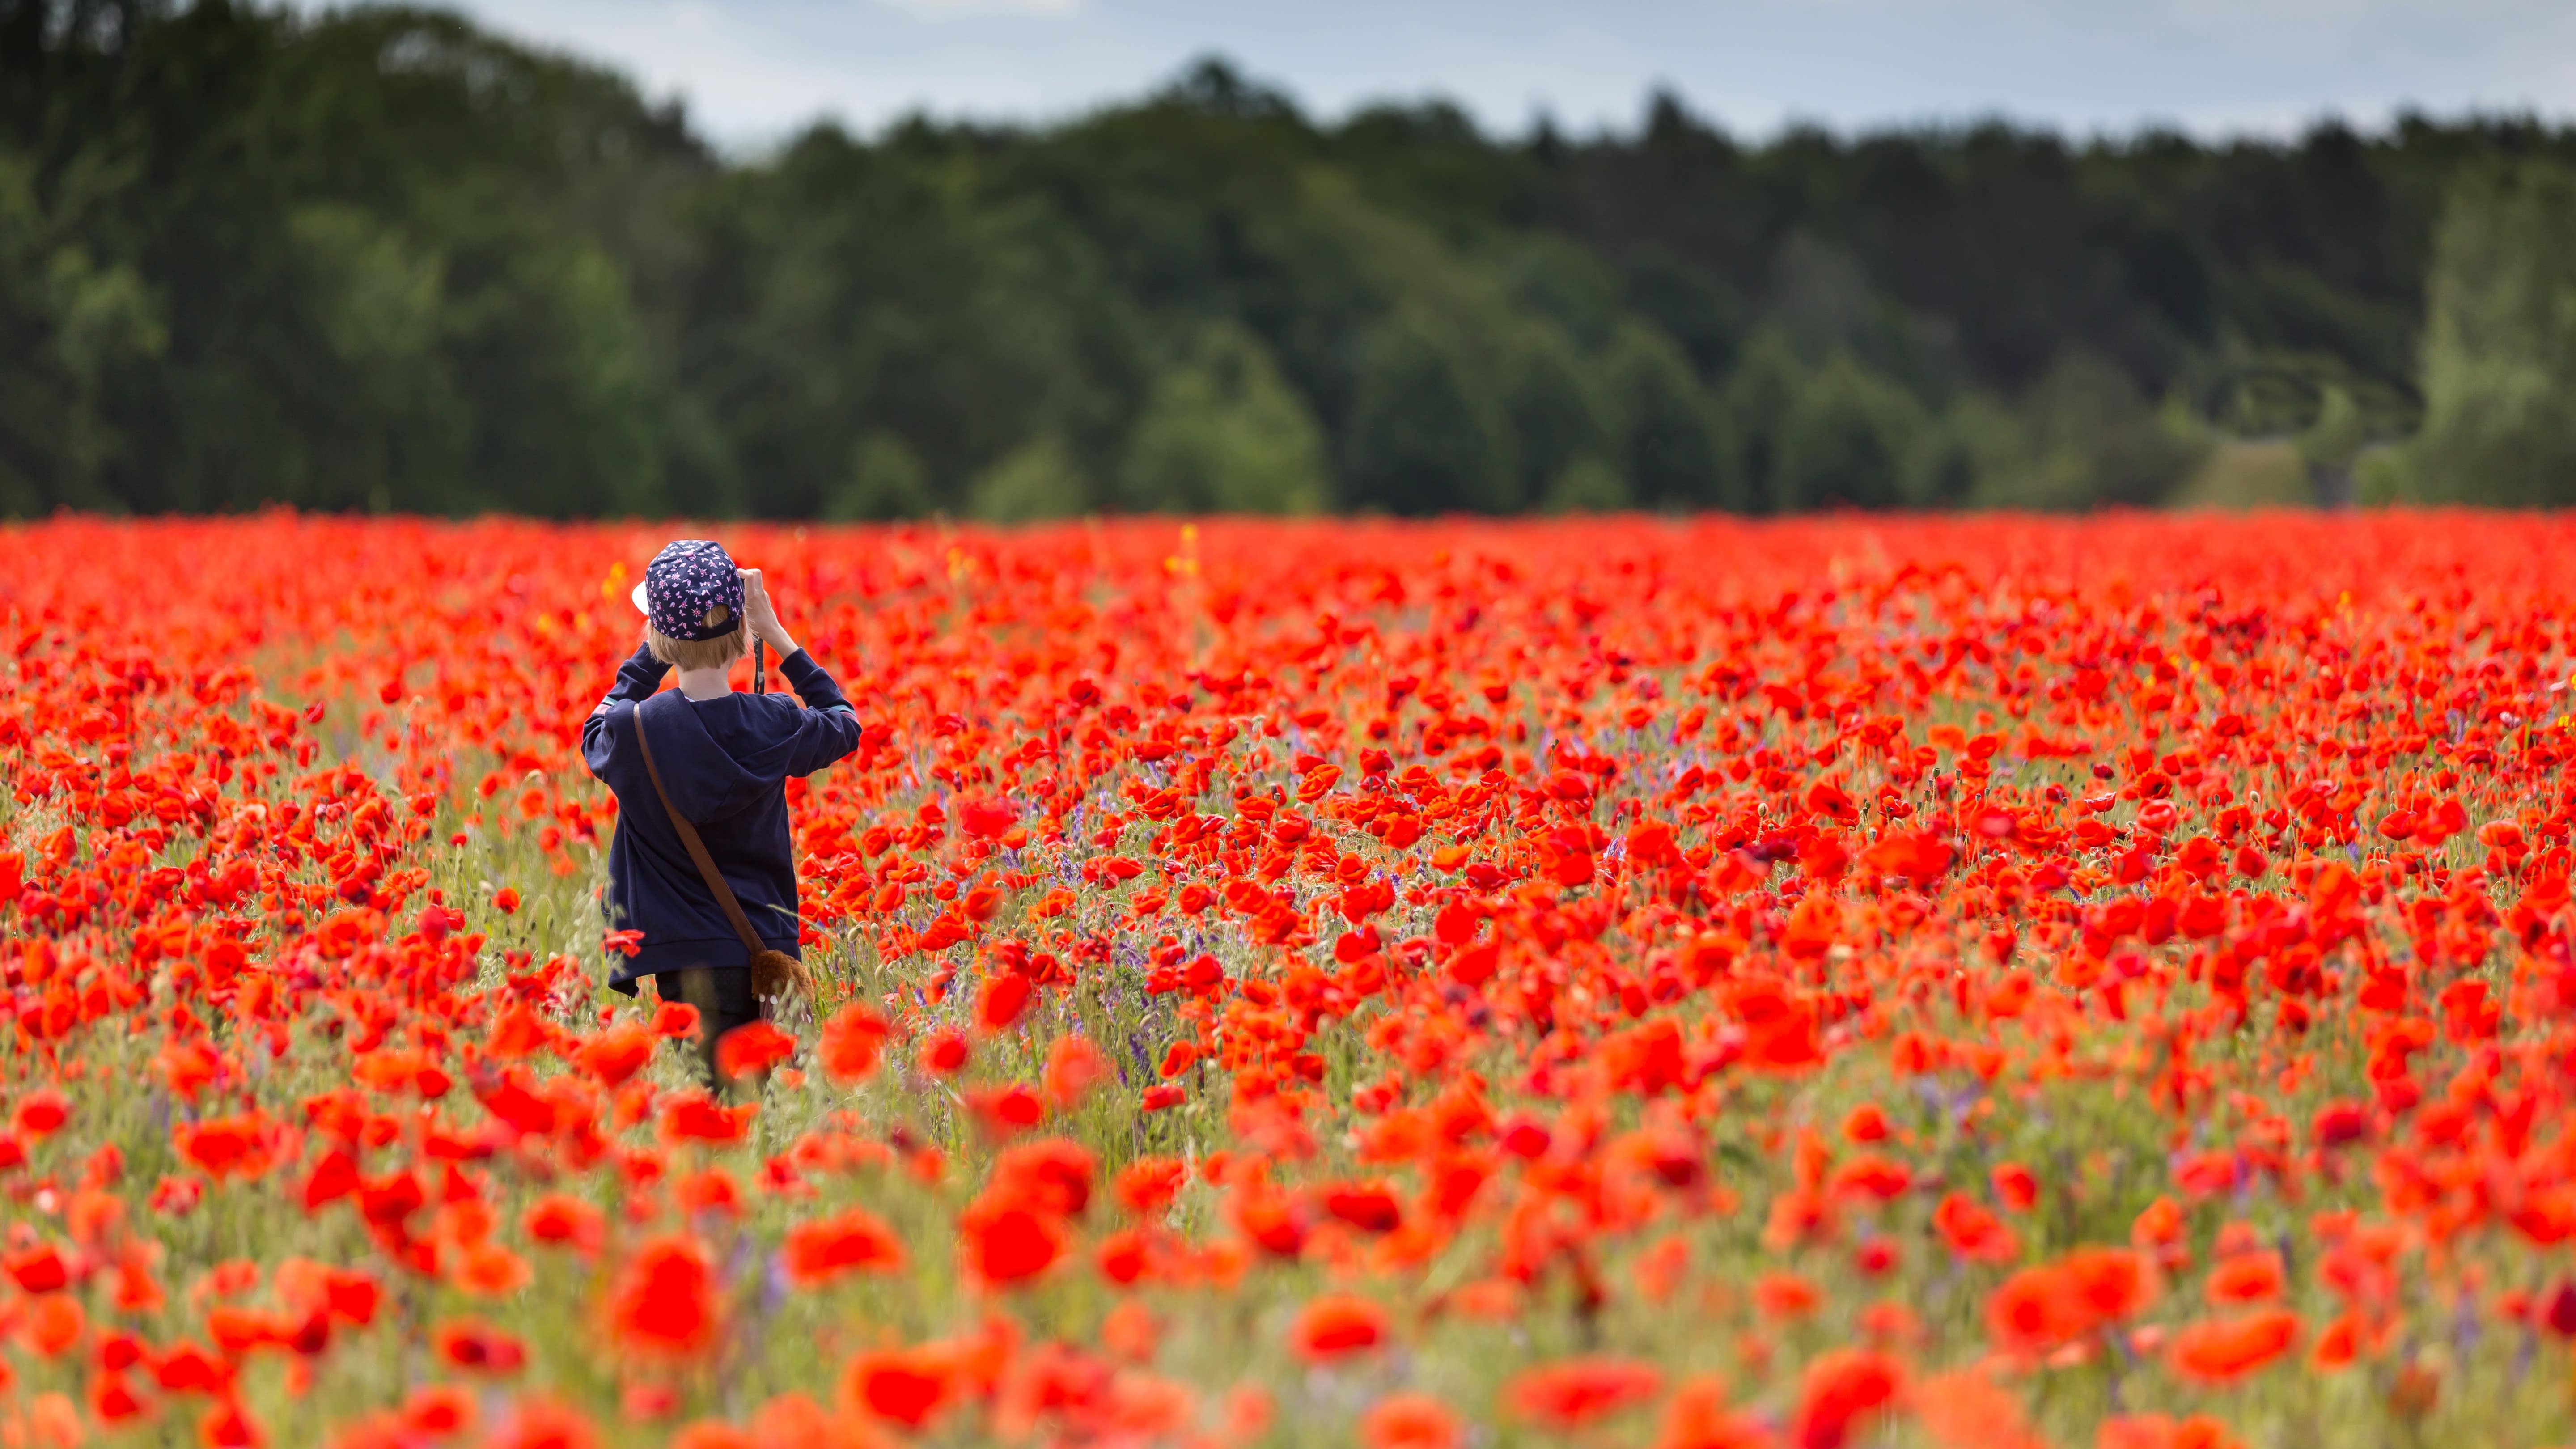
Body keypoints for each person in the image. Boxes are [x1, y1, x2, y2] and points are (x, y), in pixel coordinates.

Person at [581, 539, 860, 1083]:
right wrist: (776, 633)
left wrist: (651, 653)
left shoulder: (631, 732)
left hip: (681, 963)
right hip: (763, 959)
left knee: (704, 1121)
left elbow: (598, 723)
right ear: (743, 635)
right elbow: (843, 722)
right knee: (763, 1116)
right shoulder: (776, 721)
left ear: (659, 639)